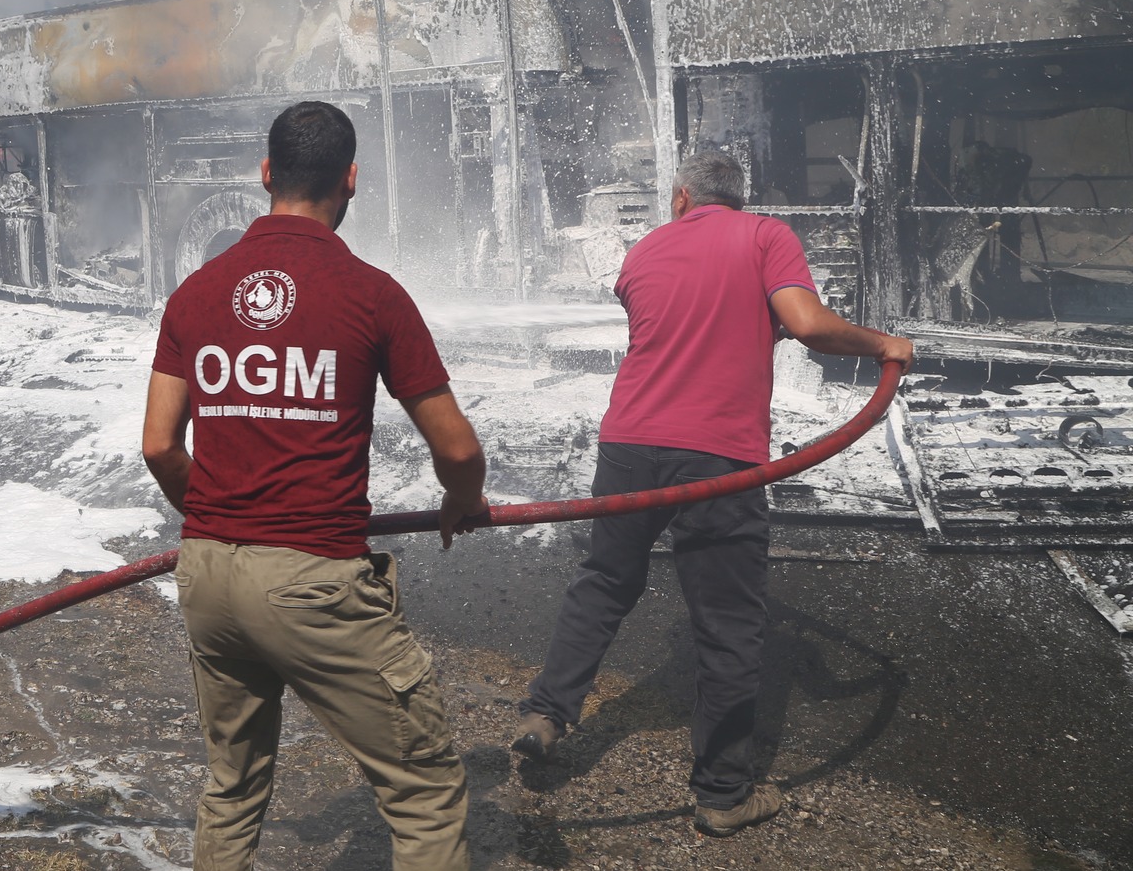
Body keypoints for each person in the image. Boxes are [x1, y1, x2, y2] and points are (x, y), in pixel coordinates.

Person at [513, 149, 915, 838]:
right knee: (728, 624)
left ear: (679, 199)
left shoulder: (643, 252)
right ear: (736, 197)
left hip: (629, 444)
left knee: (606, 578)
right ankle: (724, 794)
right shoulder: (765, 235)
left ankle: (546, 711)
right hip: (719, 456)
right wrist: (885, 344)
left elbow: (671, 323)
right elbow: (807, 322)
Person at [142, 101, 487, 871]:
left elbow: (159, 442)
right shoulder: (371, 292)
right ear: (352, 180)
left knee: (231, 786)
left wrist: (215, 517)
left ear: (266, 175)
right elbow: (458, 449)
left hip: (206, 574)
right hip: (312, 580)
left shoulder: (195, 293)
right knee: (425, 786)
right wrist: (462, 499)